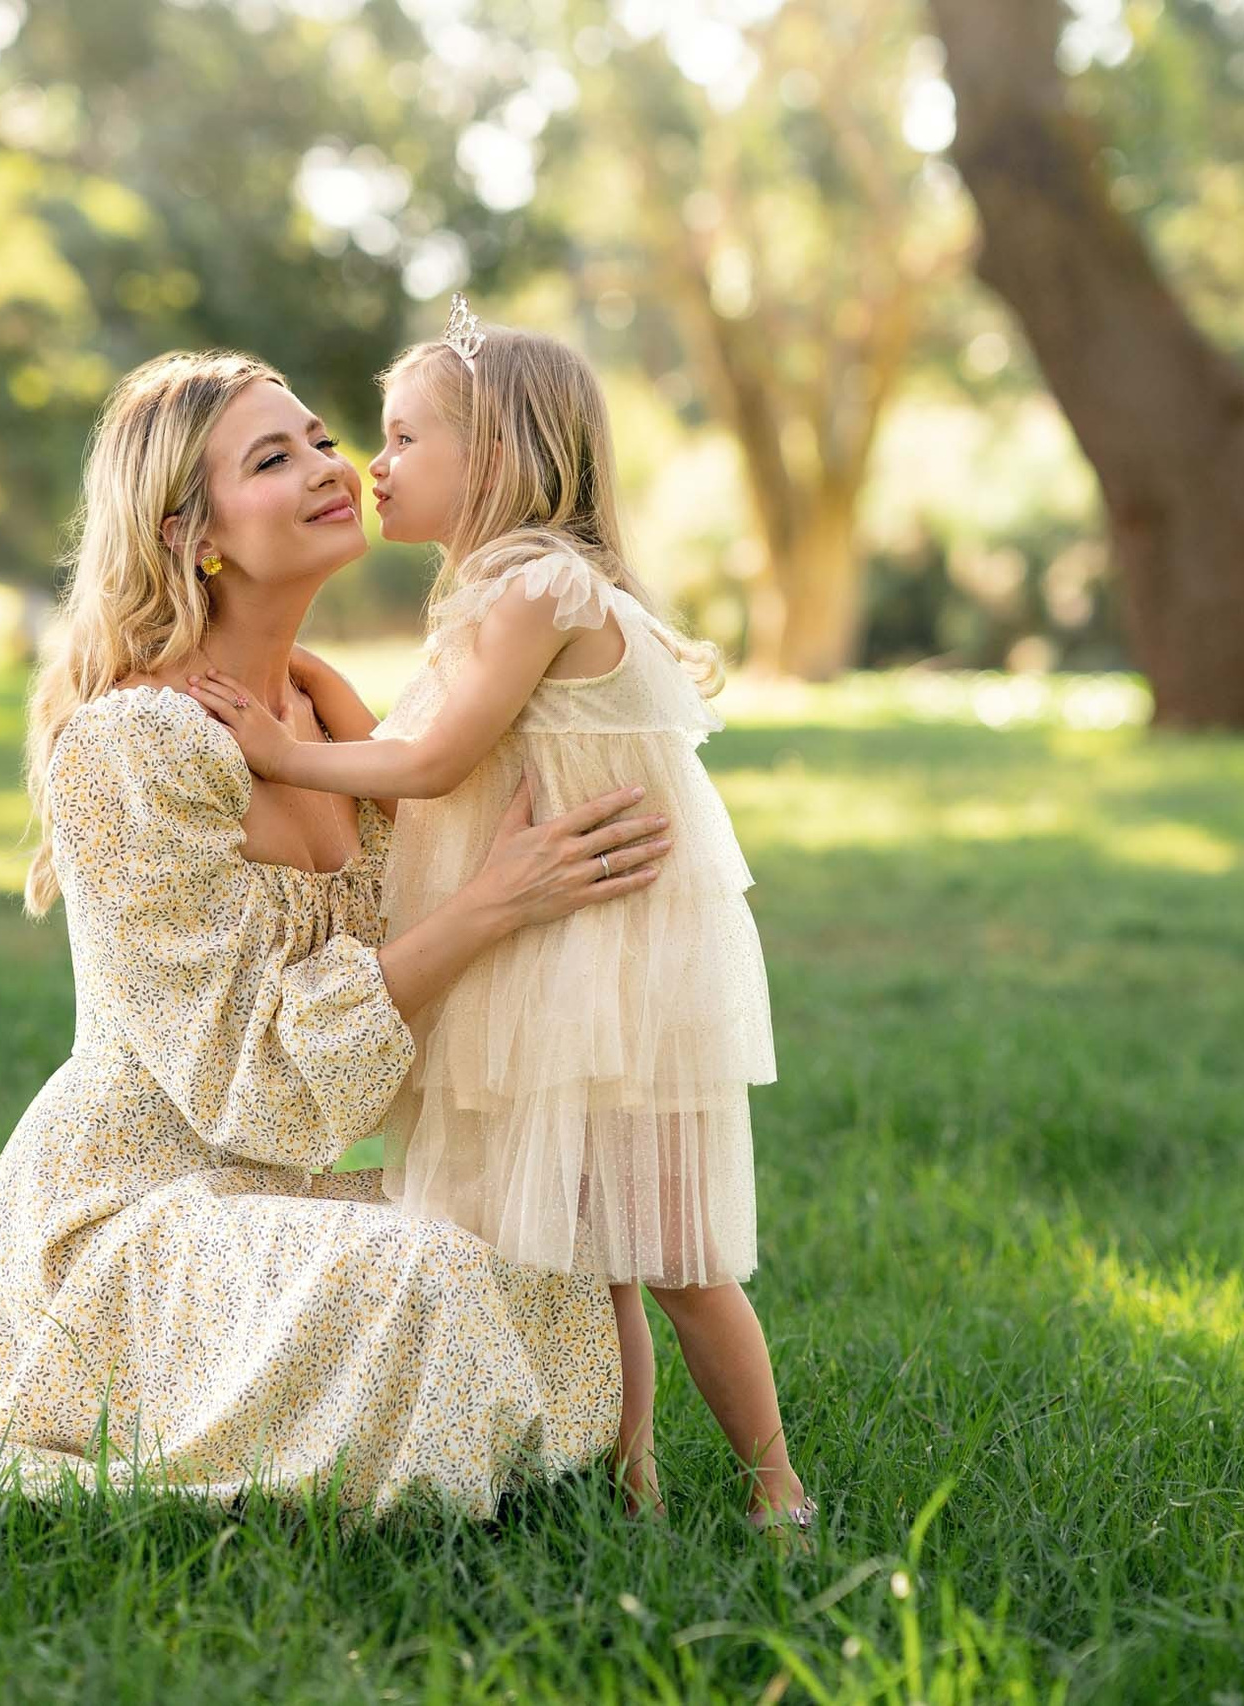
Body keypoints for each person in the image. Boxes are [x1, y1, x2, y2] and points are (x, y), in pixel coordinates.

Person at [0, 349, 673, 1516]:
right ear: (190, 531)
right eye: (272, 457)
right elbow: (246, 1084)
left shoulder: (325, 712)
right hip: (127, 1215)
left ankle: (558, 1470)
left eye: (316, 437)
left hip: (267, 1194)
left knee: (546, 1248)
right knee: (428, 1278)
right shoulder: (129, 748)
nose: (328, 465)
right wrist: (491, 903)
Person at [187, 304, 809, 1531]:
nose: (373, 465)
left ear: (501, 457)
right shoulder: (498, 592)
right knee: (596, 1258)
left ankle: (774, 1487)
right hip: (556, 953)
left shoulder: (537, 584)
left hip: (604, 961)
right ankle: (627, 1484)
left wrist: (279, 750)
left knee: (673, 1256)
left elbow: (429, 764)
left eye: (405, 436)